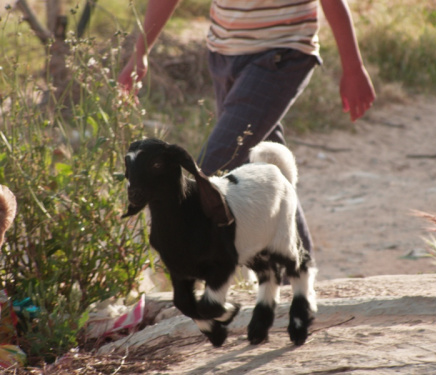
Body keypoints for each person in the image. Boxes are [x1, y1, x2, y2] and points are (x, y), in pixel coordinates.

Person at [118, 0, 376, 255]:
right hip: (224, 54)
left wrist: (353, 67)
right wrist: (141, 51)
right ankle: (295, 277)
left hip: (282, 52)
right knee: (269, 173)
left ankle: (189, 278)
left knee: (211, 168)